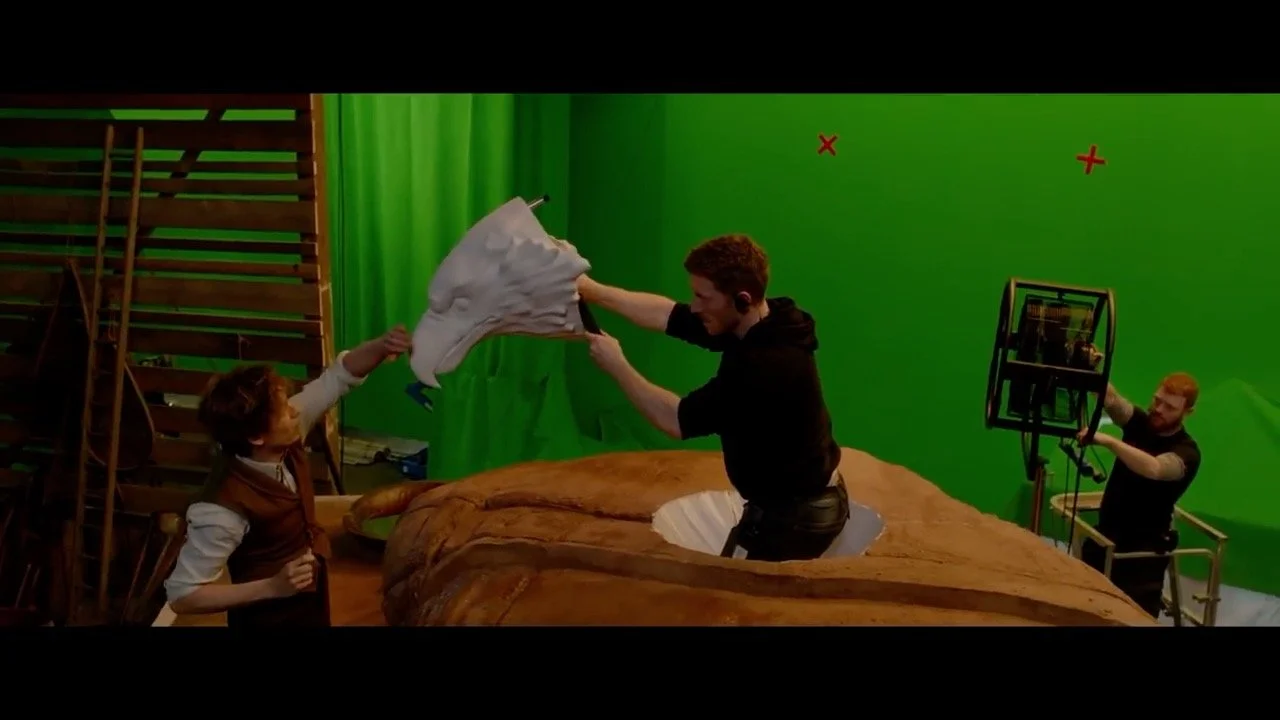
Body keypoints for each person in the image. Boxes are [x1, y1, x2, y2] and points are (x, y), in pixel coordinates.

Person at [577, 233, 847, 562]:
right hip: (800, 499)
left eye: (703, 297)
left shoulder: (765, 368)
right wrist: (591, 290)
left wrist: (617, 366)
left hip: (798, 519)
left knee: (738, 590)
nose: (695, 306)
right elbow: (668, 315)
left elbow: (675, 420)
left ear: (742, 299)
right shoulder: (770, 319)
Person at [162, 326, 412, 627]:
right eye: (284, 411)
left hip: (309, 601)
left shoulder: (279, 433)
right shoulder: (221, 509)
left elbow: (338, 377)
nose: (294, 412)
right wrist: (272, 587)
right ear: (256, 437)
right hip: (266, 618)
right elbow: (183, 594)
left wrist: (382, 346)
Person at [1078, 372, 1202, 618]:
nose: (1159, 409)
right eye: (1157, 400)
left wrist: (1110, 442)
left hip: (1142, 557)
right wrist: (1090, 367)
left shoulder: (1187, 452)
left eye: (1170, 407)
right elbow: (1111, 400)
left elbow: (1154, 468)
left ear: (1187, 411)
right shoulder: (1140, 423)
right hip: (1105, 539)